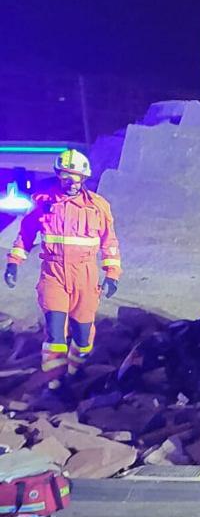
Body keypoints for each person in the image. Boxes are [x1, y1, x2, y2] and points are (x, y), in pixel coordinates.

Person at [5, 150, 121, 389]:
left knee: (82, 335)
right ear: (59, 176)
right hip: (53, 274)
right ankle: (55, 385)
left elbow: (109, 243)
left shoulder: (99, 207)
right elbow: (26, 235)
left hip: (86, 277)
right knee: (56, 335)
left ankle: (75, 373)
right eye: (66, 177)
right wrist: (14, 263)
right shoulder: (44, 202)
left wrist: (112, 275)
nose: (71, 182)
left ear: (84, 178)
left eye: (76, 177)